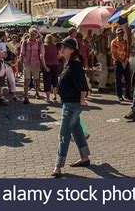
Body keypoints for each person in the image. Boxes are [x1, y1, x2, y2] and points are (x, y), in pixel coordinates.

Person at [51, 38, 90, 178]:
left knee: (63, 135)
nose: (61, 49)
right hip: (68, 104)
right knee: (76, 130)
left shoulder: (75, 65)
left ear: (72, 50)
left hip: (72, 105)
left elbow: (83, 86)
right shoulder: (68, 64)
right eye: (61, 47)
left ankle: (58, 165)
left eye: (65, 47)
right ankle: (85, 158)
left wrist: (81, 101)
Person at [20, 28, 46, 104]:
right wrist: (21, 63)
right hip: (27, 63)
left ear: (37, 35)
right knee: (26, 80)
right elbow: (22, 53)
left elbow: (41, 54)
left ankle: (37, 92)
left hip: (36, 63)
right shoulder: (24, 42)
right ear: (29, 34)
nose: (32, 36)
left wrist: (42, 63)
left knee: (37, 79)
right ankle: (26, 96)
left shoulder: (39, 43)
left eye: (34, 34)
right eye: (31, 34)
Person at [111, 28, 131, 102]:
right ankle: (119, 95)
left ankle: (127, 94)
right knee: (118, 79)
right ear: (117, 34)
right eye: (119, 33)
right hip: (118, 62)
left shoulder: (125, 42)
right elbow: (114, 54)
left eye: (122, 33)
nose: (121, 34)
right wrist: (121, 61)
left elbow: (127, 51)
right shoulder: (114, 42)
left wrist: (126, 60)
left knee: (128, 79)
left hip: (125, 61)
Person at [43, 34, 60, 102]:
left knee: (47, 81)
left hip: (47, 65)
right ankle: (55, 96)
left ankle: (48, 98)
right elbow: (60, 54)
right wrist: (56, 59)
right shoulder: (56, 46)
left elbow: (42, 56)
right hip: (55, 65)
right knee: (54, 80)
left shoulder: (44, 46)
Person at [94, 28, 111, 93]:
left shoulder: (105, 37)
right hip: (100, 55)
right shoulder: (101, 36)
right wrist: (95, 49)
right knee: (103, 71)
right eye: (109, 30)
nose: (110, 31)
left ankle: (101, 86)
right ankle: (101, 87)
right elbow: (92, 41)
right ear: (106, 31)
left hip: (102, 55)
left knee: (103, 71)